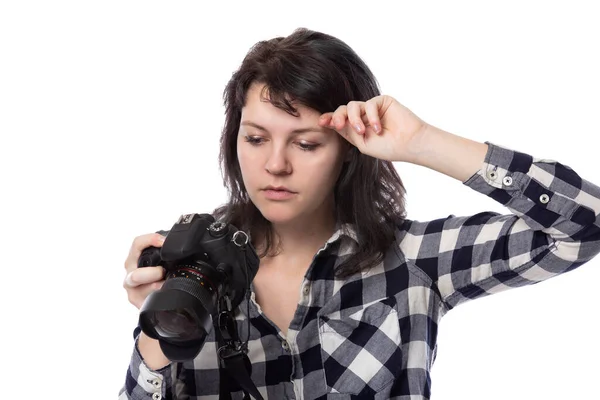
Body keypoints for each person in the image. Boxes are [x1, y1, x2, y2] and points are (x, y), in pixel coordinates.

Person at [118, 28, 600, 400]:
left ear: (348, 149)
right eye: (256, 138)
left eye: (306, 143)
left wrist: (421, 143)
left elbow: (584, 224)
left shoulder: (412, 261)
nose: (275, 165)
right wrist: (156, 334)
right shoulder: (196, 269)